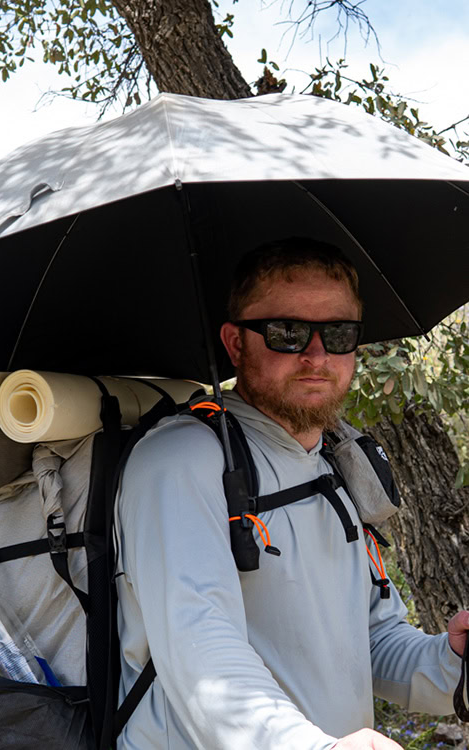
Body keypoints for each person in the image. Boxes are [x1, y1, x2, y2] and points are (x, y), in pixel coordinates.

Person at [115, 237, 469, 750]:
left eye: (339, 332)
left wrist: (452, 665)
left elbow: (368, 642)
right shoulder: (181, 460)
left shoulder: (337, 463)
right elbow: (203, 658)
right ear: (235, 343)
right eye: (287, 332)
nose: (317, 355)